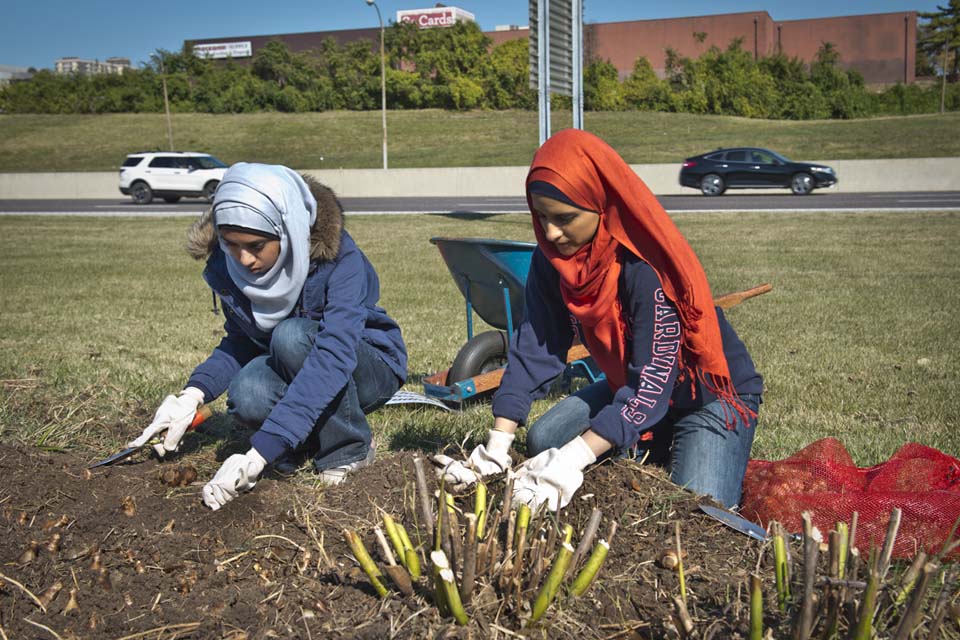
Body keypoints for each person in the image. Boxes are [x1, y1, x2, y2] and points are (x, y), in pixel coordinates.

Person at [436, 129, 763, 511]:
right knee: (545, 439)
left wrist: (573, 461)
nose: (551, 232)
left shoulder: (646, 268)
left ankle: (664, 436)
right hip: (629, 381)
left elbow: (651, 384)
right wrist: (497, 447)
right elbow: (536, 348)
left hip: (705, 395)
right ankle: (649, 437)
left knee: (698, 509)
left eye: (565, 218)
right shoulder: (552, 260)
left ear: (601, 205)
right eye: (540, 217)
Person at [127, 163, 407, 511]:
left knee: (291, 336)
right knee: (247, 392)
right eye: (231, 245)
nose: (244, 259)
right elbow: (241, 341)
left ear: (287, 230)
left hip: (365, 366)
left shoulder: (338, 256)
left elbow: (334, 355)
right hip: (299, 366)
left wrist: (259, 453)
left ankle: (348, 449)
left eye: (256, 245)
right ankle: (300, 442)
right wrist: (191, 395)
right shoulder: (227, 265)